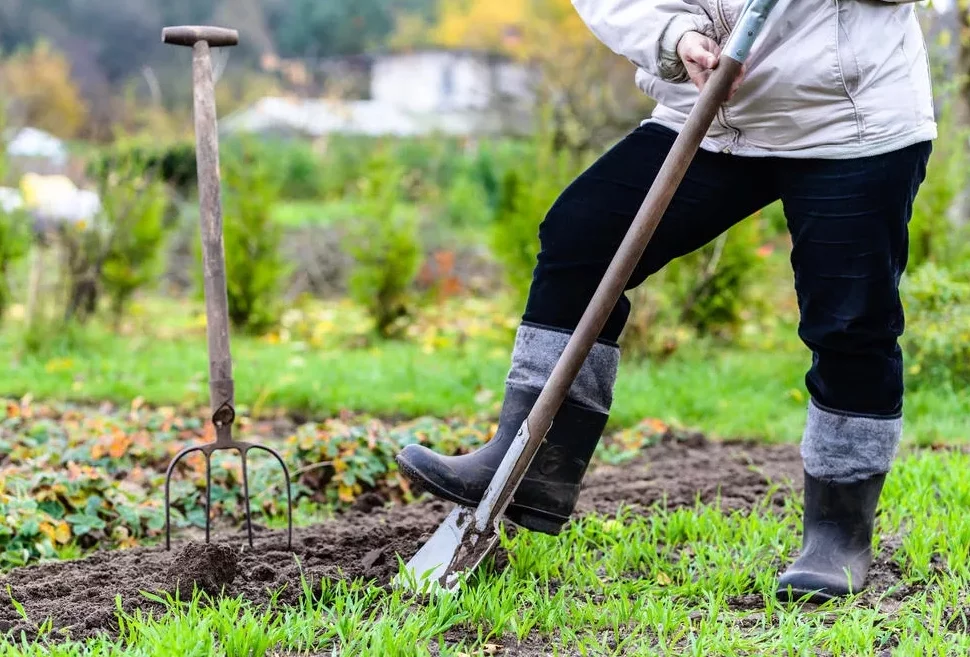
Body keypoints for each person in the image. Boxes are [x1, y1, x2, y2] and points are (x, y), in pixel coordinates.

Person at [396, 0, 936, 603]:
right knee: (585, 236)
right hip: (709, 111)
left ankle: (838, 533)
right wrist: (673, 35)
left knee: (848, 318)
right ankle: (533, 460)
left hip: (848, 122)